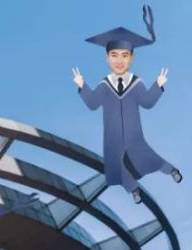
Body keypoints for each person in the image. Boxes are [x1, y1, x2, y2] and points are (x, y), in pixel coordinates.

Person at [72, 5, 181, 203]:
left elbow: (147, 102)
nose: (119, 60)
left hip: (133, 135)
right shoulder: (105, 85)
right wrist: (82, 86)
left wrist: (158, 85)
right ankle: (134, 190)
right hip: (112, 137)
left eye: (124, 55)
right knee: (117, 167)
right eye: (114, 55)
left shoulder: (136, 83)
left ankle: (171, 170)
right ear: (107, 58)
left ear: (131, 58)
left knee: (148, 157)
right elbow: (93, 103)